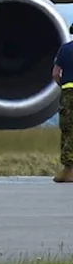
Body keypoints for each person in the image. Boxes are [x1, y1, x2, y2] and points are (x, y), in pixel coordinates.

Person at [52, 24, 73, 183]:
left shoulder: (65, 50)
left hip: (69, 93)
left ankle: (69, 170)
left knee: (68, 129)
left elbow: (56, 74)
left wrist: (63, 85)